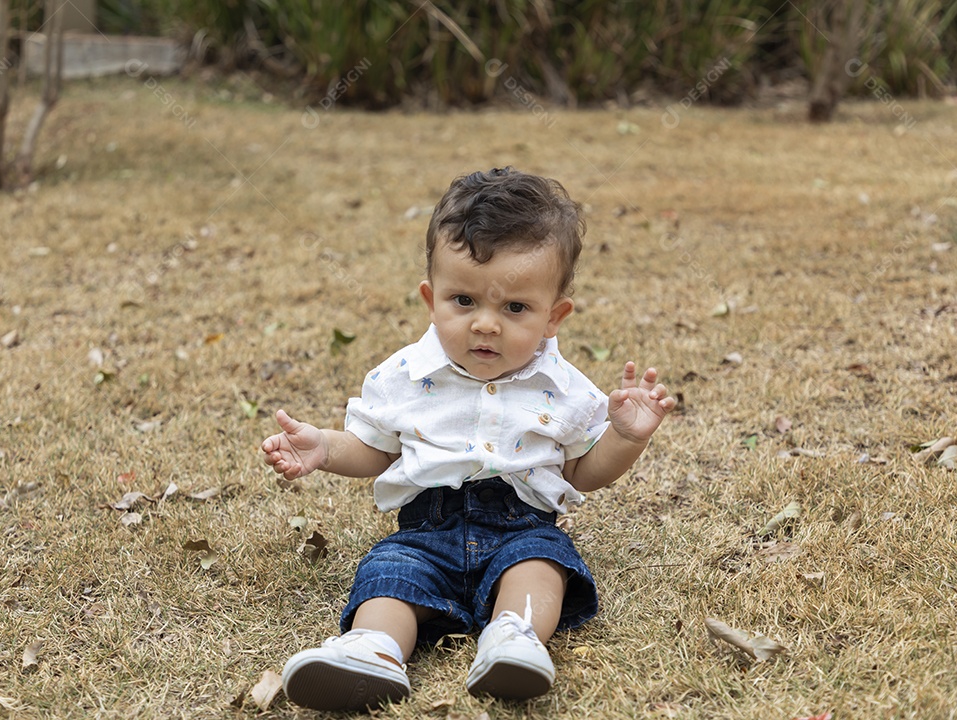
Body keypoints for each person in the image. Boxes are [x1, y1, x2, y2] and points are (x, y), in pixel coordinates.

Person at [261, 167, 676, 712]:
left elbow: (583, 471)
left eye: (515, 308)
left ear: (553, 317)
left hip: (521, 528)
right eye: (463, 301)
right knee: (389, 575)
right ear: (431, 299)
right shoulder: (404, 375)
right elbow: (377, 448)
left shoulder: (565, 389)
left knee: (542, 564)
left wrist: (625, 437)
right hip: (424, 533)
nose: (485, 324)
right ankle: (373, 650)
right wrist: (324, 447)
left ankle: (514, 636)